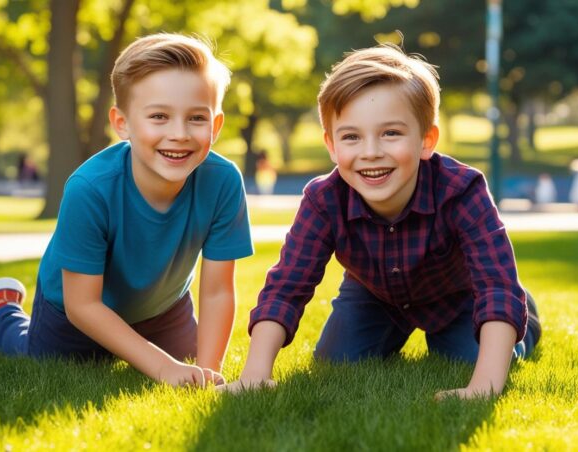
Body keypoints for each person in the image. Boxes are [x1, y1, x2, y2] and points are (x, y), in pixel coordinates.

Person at [221, 43, 541, 399]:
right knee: (336, 363)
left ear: (426, 140)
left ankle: (525, 319)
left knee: (473, 359)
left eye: (390, 133)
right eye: (351, 137)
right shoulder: (323, 200)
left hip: (457, 295)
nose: (370, 152)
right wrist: (255, 373)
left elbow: (495, 286)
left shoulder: (462, 190)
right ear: (331, 145)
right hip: (373, 294)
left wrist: (484, 386)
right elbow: (287, 287)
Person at [0, 33, 254, 388]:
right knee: (43, 361)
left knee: (185, 365)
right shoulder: (90, 188)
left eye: (196, 118)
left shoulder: (223, 182)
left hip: (163, 308)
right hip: (75, 311)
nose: (179, 133)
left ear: (216, 125)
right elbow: (83, 305)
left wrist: (209, 373)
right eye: (159, 116)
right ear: (122, 123)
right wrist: (162, 367)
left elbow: (218, 290)